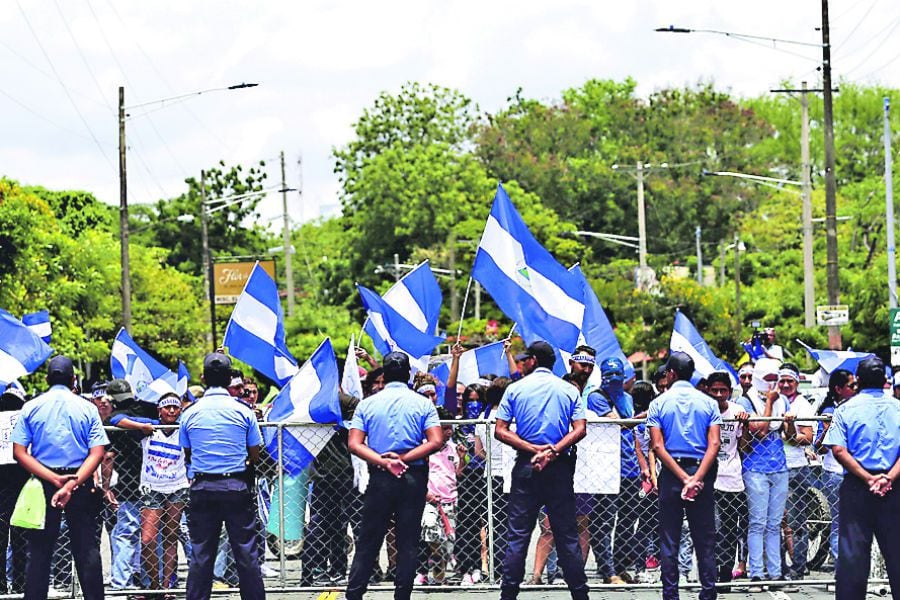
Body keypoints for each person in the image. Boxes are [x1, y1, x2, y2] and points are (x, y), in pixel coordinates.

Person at [493, 340, 589, 600]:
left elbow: (500, 430)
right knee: (567, 535)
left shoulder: (516, 389)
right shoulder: (568, 391)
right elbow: (580, 429)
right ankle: (580, 595)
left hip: (527, 464)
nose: (523, 363)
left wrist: (533, 449)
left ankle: (508, 595)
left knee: (518, 536)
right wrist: (553, 450)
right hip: (558, 466)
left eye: (526, 359)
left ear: (534, 361)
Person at [345, 351, 443, 600]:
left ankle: (354, 594)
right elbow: (436, 440)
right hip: (413, 474)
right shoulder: (423, 403)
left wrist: (383, 461)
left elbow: (355, 443)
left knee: (368, 539)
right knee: (408, 541)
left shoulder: (367, 404)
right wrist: (405, 458)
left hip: (380, 474)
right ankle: (402, 596)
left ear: (384, 375)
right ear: (409, 373)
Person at [11, 356, 108, 600]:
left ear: (46, 379)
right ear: (74, 379)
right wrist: (71, 483)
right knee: (86, 548)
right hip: (80, 480)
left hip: (44, 482)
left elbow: (19, 452)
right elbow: (97, 452)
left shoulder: (31, 407)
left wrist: (52, 479)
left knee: (40, 551)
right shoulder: (86, 408)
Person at [179, 352, 266, 600]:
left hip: (203, 486)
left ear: (204, 377)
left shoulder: (190, 413)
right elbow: (255, 451)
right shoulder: (244, 411)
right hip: (236, 484)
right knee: (246, 553)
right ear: (230, 379)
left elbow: (187, 450)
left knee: (201, 554)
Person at [823, 356, 900, 599]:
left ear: (858, 381)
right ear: (885, 380)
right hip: (894, 485)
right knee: (897, 551)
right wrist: (887, 478)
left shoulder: (845, 409)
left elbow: (838, 450)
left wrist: (867, 478)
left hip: (858, 486)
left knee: (853, 555)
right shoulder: (898, 407)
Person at [646, 352, 721, 600]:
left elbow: (657, 446)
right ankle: (708, 592)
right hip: (701, 471)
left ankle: (671, 594)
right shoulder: (709, 403)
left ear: (671, 374)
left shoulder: (659, 403)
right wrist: (696, 478)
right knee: (705, 538)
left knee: (669, 538)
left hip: (671, 472)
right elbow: (714, 444)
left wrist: (682, 477)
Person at [735, 358, 789, 591]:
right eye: (766, 379)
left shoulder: (782, 400)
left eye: (773, 379)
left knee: (775, 523)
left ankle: (775, 573)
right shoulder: (745, 401)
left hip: (779, 466)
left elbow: (789, 433)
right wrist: (768, 401)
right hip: (755, 467)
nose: (771, 384)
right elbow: (761, 429)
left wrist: (790, 422)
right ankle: (756, 574)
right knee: (757, 522)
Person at [139, 393, 189, 596]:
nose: (171, 411)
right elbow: (115, 418)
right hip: (152, 488)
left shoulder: (183, 430)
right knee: (148, 539)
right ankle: (153, 584)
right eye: (166, 407)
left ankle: (167, 586)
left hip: (177, 487)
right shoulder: (150, 428)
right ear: (159, 410)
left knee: (170, 537)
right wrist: (141, 427)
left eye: (175, 407)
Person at [705, 371, 749, 586]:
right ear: (708, 390)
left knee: (730, 529)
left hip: (732, 478)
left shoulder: (737, 411)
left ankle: (725, 572)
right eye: (715, 390)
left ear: (730, 392)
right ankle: (709, 572)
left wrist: (745, 425)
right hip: (709, 478)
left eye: (723, 390)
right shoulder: (703, 410)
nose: (719, 394)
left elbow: (745, 447)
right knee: (712, 528)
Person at [775, 363, 815, 581]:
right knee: (774, 520)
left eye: (790, 381)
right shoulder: (772, 402)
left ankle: (798, 566)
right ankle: (778, 566)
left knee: (796, 520)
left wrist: (789, 435)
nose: (786, 384)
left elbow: (807, 437)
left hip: (796, 467)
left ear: (797, 382)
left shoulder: (802, 405)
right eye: (782, 380)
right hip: (773, 467)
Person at [814, 368, 856, 567]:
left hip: (854, 472)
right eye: (851, 386)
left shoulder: (854, 409)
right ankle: (841, 567)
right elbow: (820, 448)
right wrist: (827, 430)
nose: (855, 389)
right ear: (839, 389)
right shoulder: (829, 411)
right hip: (834, 471)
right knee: (840, 520)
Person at [0, 384, 29, 594]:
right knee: (20, 535)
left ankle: (2, 585)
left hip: (2, 480)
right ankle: (19, 584)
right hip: (22, 479)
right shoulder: (26, 418)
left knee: (2, 536)